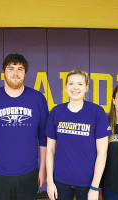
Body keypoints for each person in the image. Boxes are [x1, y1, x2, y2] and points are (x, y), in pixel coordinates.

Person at [0, 53, 49, 200]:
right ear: (4, 72)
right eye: (11, 68)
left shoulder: (38, 99)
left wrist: (42, 169)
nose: (15, 73)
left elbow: (43, 137)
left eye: (20, 69)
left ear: (25, 73)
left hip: (28, 173)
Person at [46, 70, 112, 200]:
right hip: (61, 180)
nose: (75, 87)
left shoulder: (97, 112)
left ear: (86, 88)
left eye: (80, 84)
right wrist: (50, 181)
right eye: (71, 83)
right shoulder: (56, 112)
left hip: (87, 182)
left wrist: (94, 186)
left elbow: (102, 152)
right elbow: (50, 149)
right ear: (65, 87)